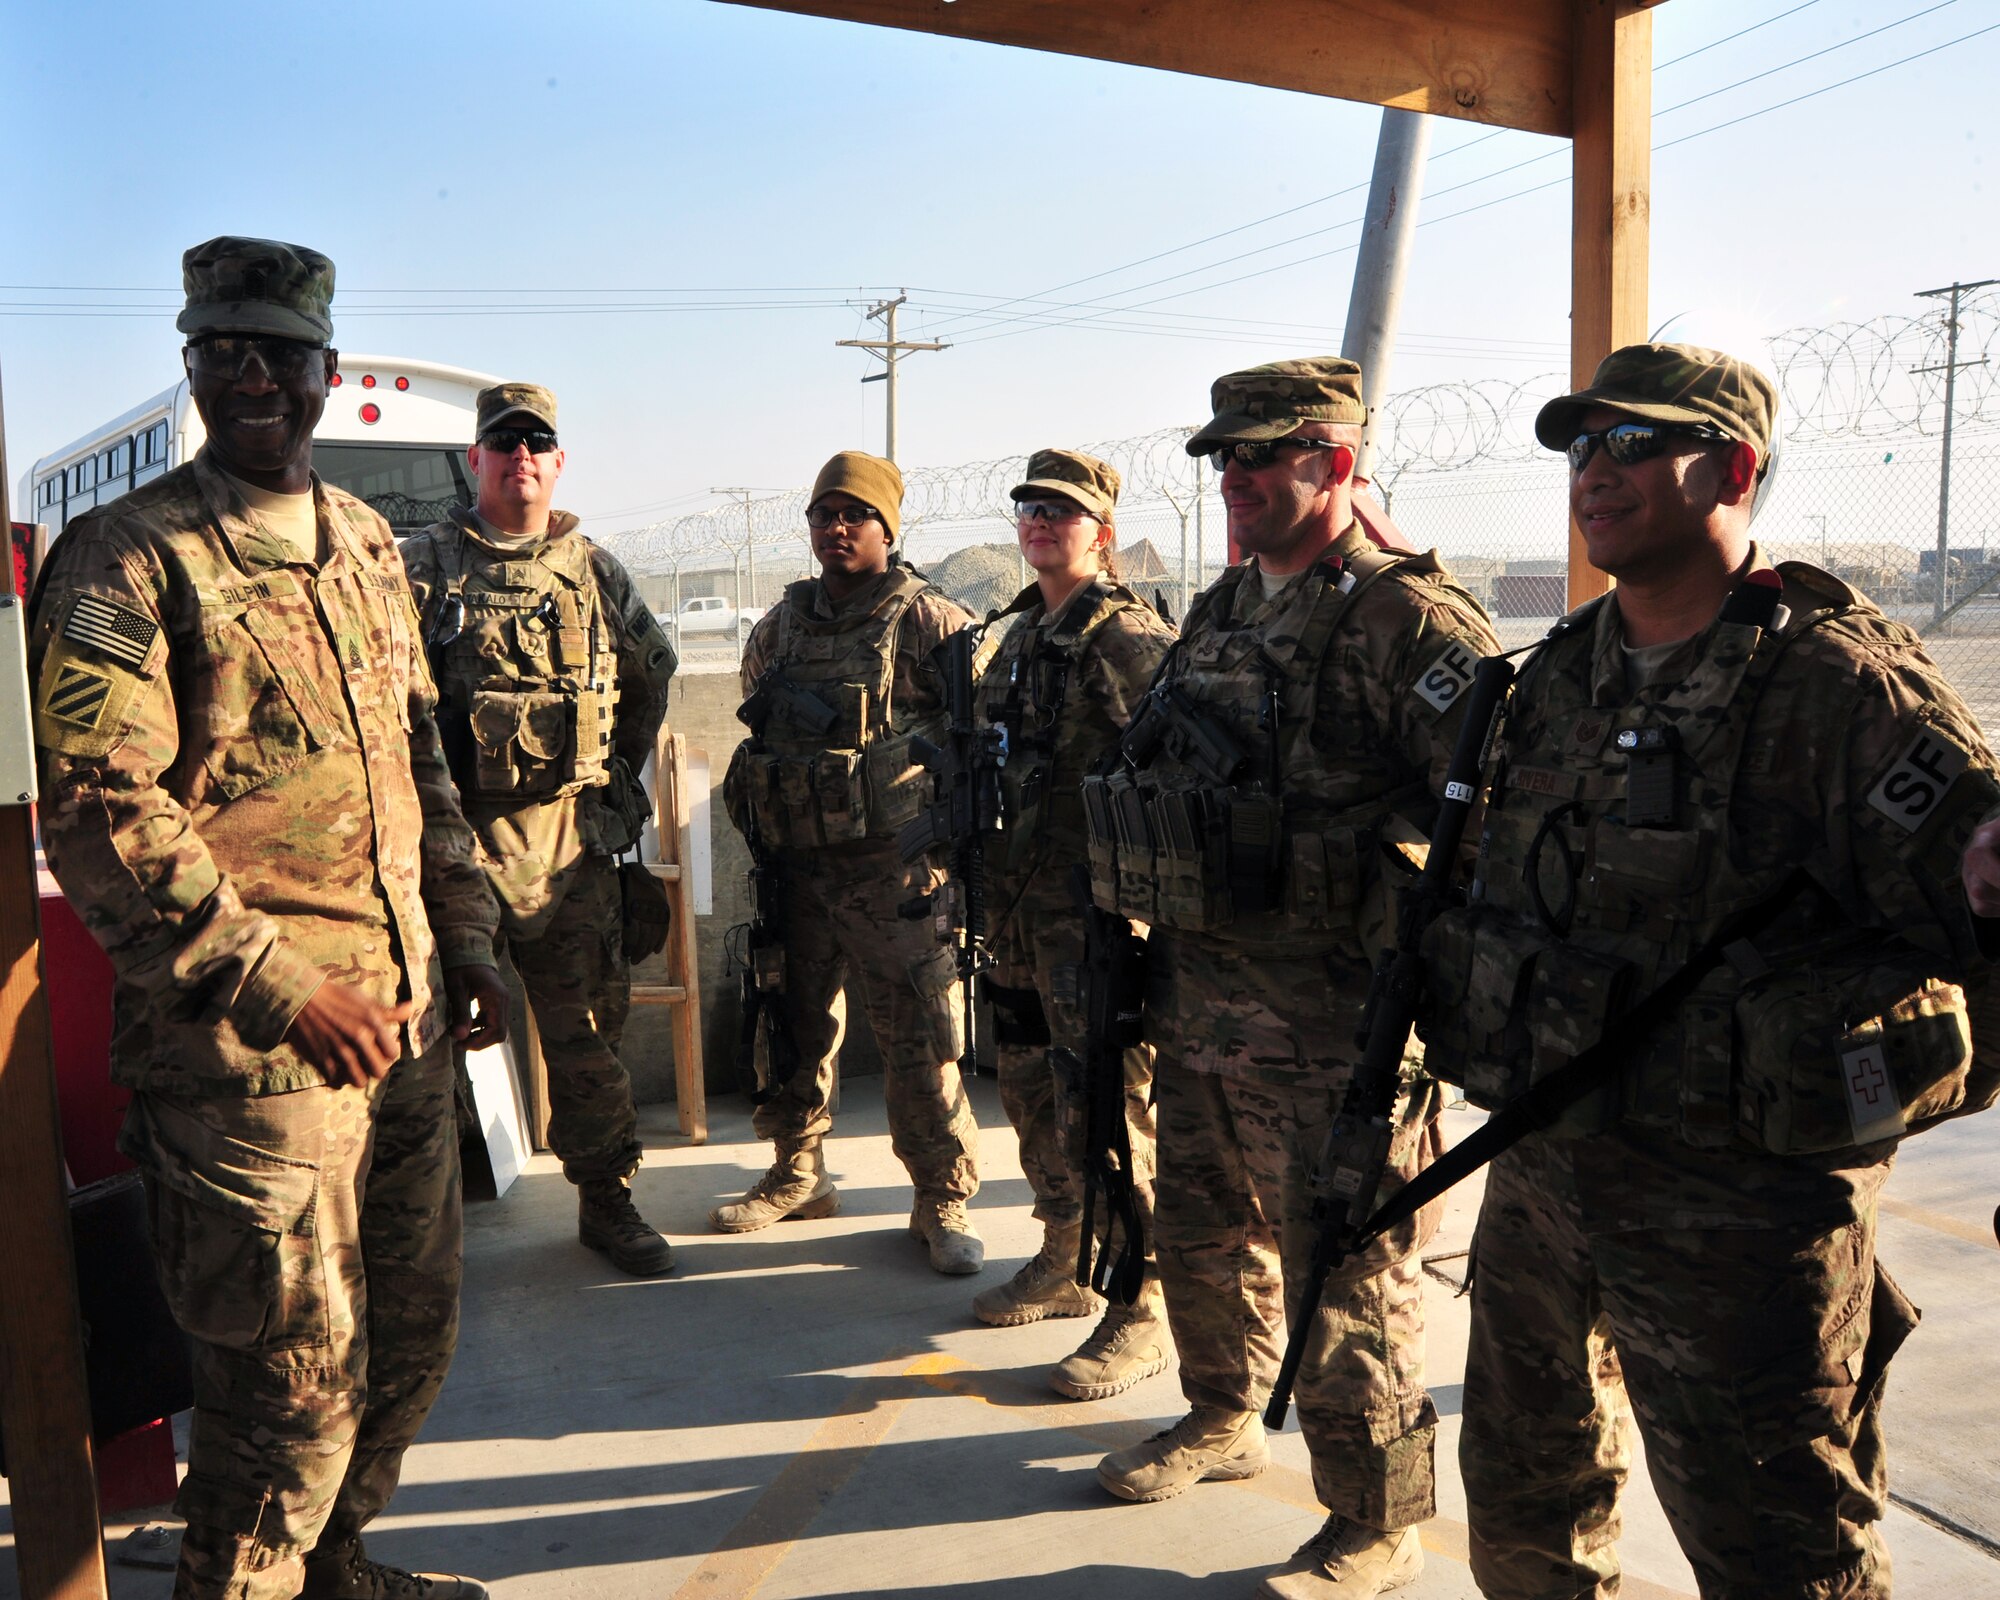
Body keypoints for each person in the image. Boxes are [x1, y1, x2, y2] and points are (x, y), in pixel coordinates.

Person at [1424, 343, 2000, 1600]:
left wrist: (1846, 1090)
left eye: (1633, 443)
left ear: (1731, 467)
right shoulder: (1553, 676)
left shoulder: (1840, 688)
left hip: (1737, 1228)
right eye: (1580, 446)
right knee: (1522, 1506)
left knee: (1779, 1552)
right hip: (1540, 1178)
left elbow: (1981, 940)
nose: (1594, 472)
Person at [29, 236, 506, 1600]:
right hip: (253, 1073)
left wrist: (466, 940)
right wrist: (284, 986)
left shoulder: (362, 541)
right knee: (280, 1410)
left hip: (403, 1033)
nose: (254, 377)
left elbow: (423, 764)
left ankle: (335, 1573)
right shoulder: (128, 560)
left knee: (405, 1353)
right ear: (189, 366)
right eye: (223, 351)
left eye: (281, 356)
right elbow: (102, 812)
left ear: (323, 374)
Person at [1083, 359, 1501, 1599]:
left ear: (1332, 459)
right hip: (1202, 994)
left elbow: (1497, 810)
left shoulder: (1406, 622)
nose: (1235, 479)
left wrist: (1389, 911)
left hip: (1333, 1021)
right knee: (1204, 1237)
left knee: (1347, 1274)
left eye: (1260, 457)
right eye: (1222, 460)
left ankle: (1376, 1519)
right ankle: (1217, 1414)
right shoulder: (1216, 612)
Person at [401, 383, 679, 1276]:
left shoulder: (596, 572)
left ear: (560, 462)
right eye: (502, 441)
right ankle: (415, 1236)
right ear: (476, 459)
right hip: (452, 855)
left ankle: (607, 1201)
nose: (520, 455)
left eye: (538, 442)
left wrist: (611, 789)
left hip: (570, 853)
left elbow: (649, 678)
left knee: (588, 1040)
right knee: (422, 1052)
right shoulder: (421, 569)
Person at [716, 450, 985, 1273]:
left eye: (854, 515)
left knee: (918, 1038)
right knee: (794, 1028)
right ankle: (798, 1171)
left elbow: (975, 743)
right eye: (823, 516)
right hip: (797, 870)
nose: (835, 529)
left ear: (886, 528)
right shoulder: (781, 626)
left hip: (893, 875)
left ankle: (943, 1197)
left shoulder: (930, 622)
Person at [969, 448, 1177, 1398]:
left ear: (1101, 530)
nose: (1042, 521)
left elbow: (1173, 769)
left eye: (1063, 510)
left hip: (1093, 922)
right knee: (1026, 1086)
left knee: (1111, 1110)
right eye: (1030, 507)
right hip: (1016, 915)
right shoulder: (1018, 636)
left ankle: (1143, 1308)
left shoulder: (1122, 637)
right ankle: (1065, 1252)